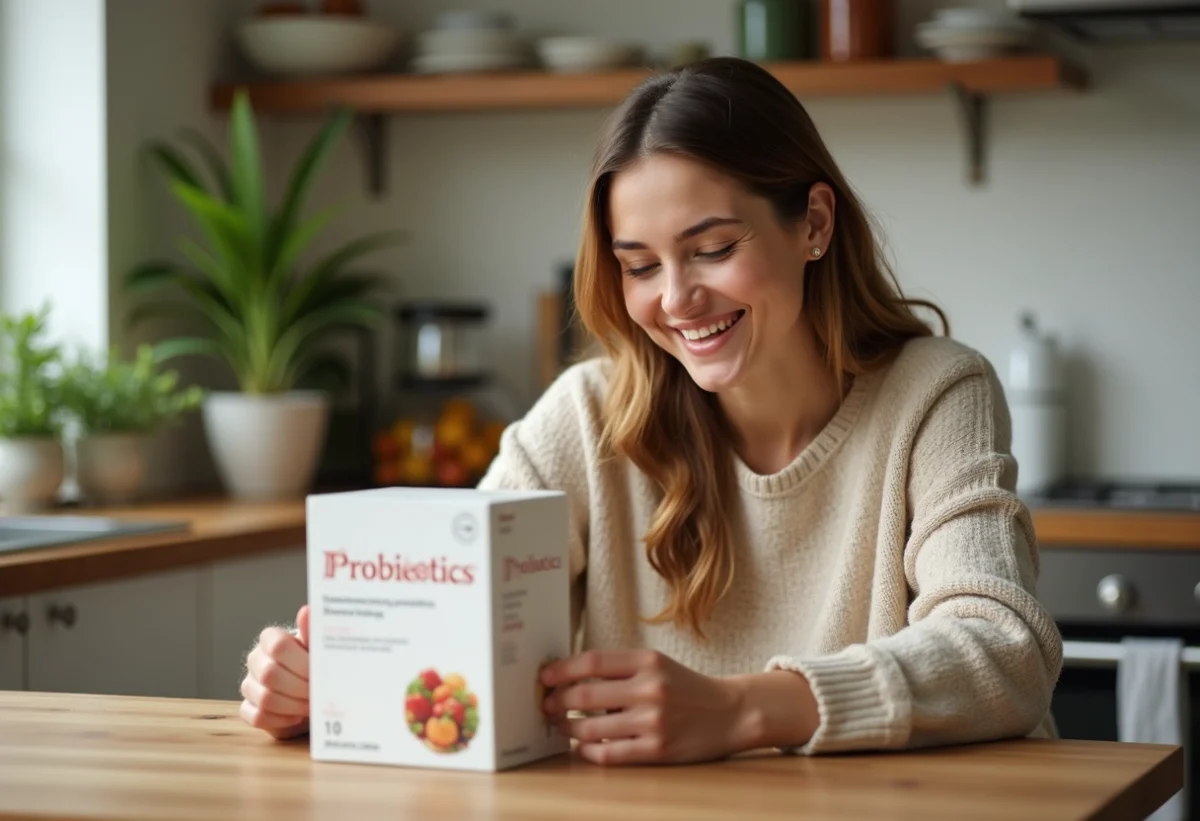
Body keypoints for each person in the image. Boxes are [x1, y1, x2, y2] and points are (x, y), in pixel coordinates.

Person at [239, 56, 1062, 765]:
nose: (676, 298)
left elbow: (1005, 649)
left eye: (713, 249)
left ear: (813, 223)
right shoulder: (586, 418)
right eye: (639, 265)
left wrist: (742, 709)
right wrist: (334, 680)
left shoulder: (935, 393)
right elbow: (453, 627)